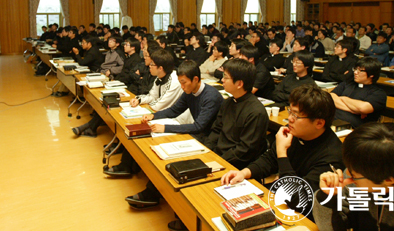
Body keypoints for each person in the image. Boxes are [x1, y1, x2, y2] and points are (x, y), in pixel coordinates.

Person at [124, 60, 223, 208]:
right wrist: (154, 116)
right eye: (180, 83)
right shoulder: (189, 91)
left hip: (210, 140)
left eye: (184, 83)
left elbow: (199, 126)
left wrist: (165, 128)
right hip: (197, 135)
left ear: (196, 79)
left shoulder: (211, 96)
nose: (182, 87)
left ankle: (153, 194)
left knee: (169, 153)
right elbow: (175, 110)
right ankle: (149, 185)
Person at [221, 84, 344, 201]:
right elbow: (270, 159)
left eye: (296, 115)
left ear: (319, 123)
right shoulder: (295, 131)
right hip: (281, 192)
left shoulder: (332, 157)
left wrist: (282, 153)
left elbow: (297, 198)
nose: (289, 118)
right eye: (290, 111)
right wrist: (244, 173)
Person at [204, 58, 269, 170]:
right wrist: (206, 151)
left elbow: (245, 150)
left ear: (239, 83)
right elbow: (216, 130)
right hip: (217, 155)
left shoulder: (256, 112)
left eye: (226, 77)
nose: (222, 80)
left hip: (235, 165)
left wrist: (219, 161)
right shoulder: (228, 102)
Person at [330, 57, 387, 128]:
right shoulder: (347, 84)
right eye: (355, 69)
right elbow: (330, 97)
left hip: (355, 128)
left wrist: (343, 98)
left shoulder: (378, 93)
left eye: (360, 70)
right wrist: (354, 111)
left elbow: (363, 108)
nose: (355, 72)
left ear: (371, 75)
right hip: (332, 119)